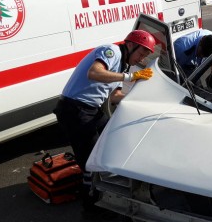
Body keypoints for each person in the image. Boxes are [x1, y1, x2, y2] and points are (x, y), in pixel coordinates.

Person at [54, 29, 156, 207]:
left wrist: (141, 98)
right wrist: (130, 77)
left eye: (145, 56)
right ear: (130, 45)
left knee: (113, 137)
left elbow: (115, 95)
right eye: (141, 53)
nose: (141, 59)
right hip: (75, 110)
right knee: (90, 161)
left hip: (90, 110)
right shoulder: (111, 51)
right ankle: (90, 203)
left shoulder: (123, 65)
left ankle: (108, 183)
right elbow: (94, 73)